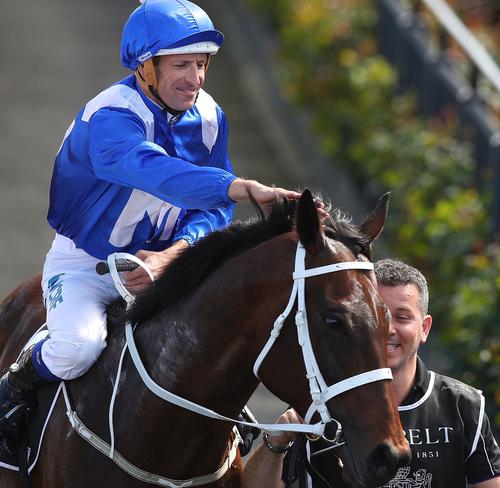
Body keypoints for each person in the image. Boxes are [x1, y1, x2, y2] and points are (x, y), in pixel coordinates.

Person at [0, 0, 305, 456]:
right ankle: (14, 389)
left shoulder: (209, 116)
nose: (196, 78)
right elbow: (155, 172)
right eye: (182, 64)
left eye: (202, 64)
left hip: (167, 267)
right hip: (88, 264)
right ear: (146, 66)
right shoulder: (110, 116)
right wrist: (238, 187)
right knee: (77, 349)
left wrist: (175, 253)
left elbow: (212, 213)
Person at [242, 259, 500, 487]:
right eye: (380, 316)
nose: (390, 329)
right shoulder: (319, 405)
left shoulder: (462, 404)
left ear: (425, 329)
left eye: (403, 317)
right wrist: (275, 442)